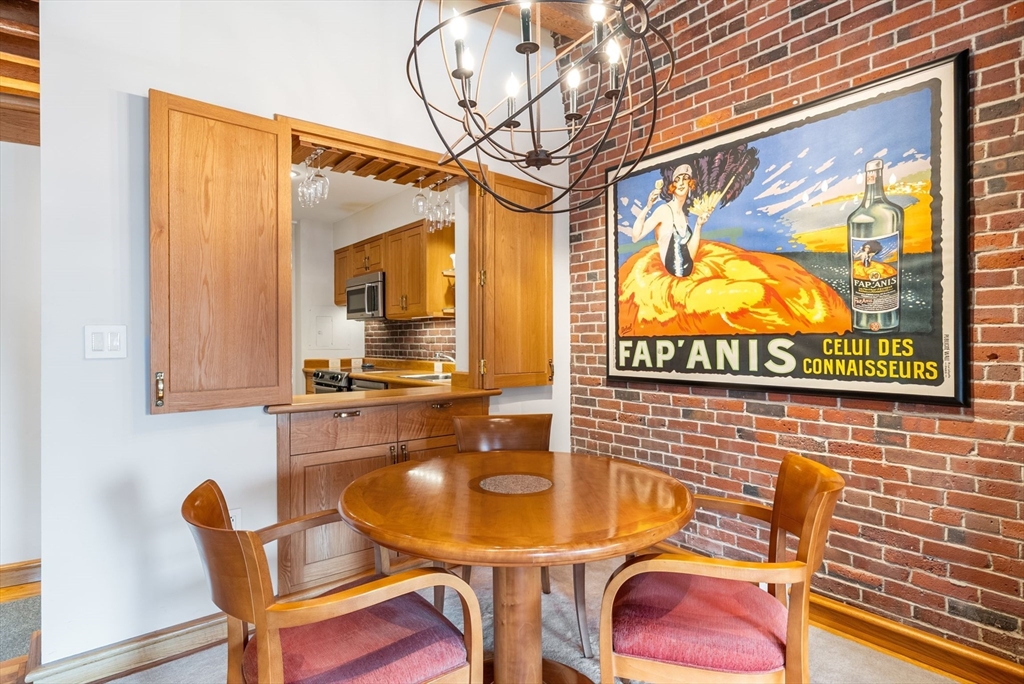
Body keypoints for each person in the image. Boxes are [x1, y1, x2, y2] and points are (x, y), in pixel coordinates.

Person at [631, 163, 711, 277]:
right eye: (677, 180)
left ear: (690, 184)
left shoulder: (684, 216)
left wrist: (698, 225)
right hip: (669, 280)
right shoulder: (663, 211)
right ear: (672, 185)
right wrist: (648, 207)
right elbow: (635, 237)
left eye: (685, 178)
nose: (681, 183)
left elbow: (690, 255)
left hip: (688, 280)